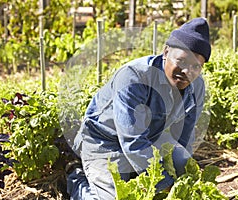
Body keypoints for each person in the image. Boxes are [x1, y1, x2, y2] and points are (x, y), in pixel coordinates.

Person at [66, 17, 211, 200]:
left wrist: (182, 177)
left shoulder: (196, 85)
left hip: (149, 139)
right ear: (166, 52)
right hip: (105, 142)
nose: (187, 71)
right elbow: (132, 140)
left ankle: (137, 173)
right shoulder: (134, 77)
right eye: (181, 61)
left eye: (195, 66)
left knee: (184, 166)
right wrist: (166, 185)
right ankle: (77, 179)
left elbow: (184, 137)